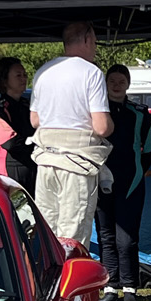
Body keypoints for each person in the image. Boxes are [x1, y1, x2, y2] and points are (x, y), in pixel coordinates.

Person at [29, 22, 112, 246]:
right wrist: (111, 124)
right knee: (73, 236)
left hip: (46, 160)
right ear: (86, 40)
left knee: (47, 231)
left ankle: (47, 269)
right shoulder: (91, 72)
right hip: (77, 162)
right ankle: (69, 270)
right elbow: (102, 127)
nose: (95, 48)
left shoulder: (43, 72)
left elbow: (34, 120)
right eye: (95, 42)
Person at [95, 64, 151, 301]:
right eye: (112, 81)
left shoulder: (139, 113)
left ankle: (130, 287)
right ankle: (110, 287)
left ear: (128, 84)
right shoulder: (98, 112)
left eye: (121, 81)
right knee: (106, 236)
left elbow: (150, 150)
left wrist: (136, 171)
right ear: (105, 84)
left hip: (131, 183)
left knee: (127, 239)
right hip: (102, 181)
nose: (116, 85)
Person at [0, 57, 36, 192]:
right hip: (10, 173)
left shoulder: (27, 105)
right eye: (18, 75)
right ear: (4, 79)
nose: (23, 79)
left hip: (33, 168)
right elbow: (11, 143)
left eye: (25, 75)